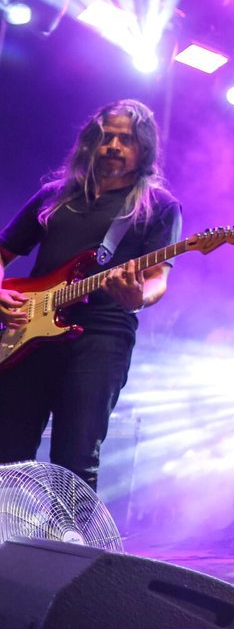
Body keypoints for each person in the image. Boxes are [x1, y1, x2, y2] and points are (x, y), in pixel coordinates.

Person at [0, 100, 183, 489]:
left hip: (102, 337)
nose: (114, 146)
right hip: (28, 332)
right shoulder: (55, 195)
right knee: (7, 454)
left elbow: (157, 279)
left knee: (76, 458)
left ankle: (69, 530)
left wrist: (138, 298)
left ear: (144, 148)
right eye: (107, 136)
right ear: (90, 141)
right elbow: (3, 253)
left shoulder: (158, 206)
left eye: (126, 139)